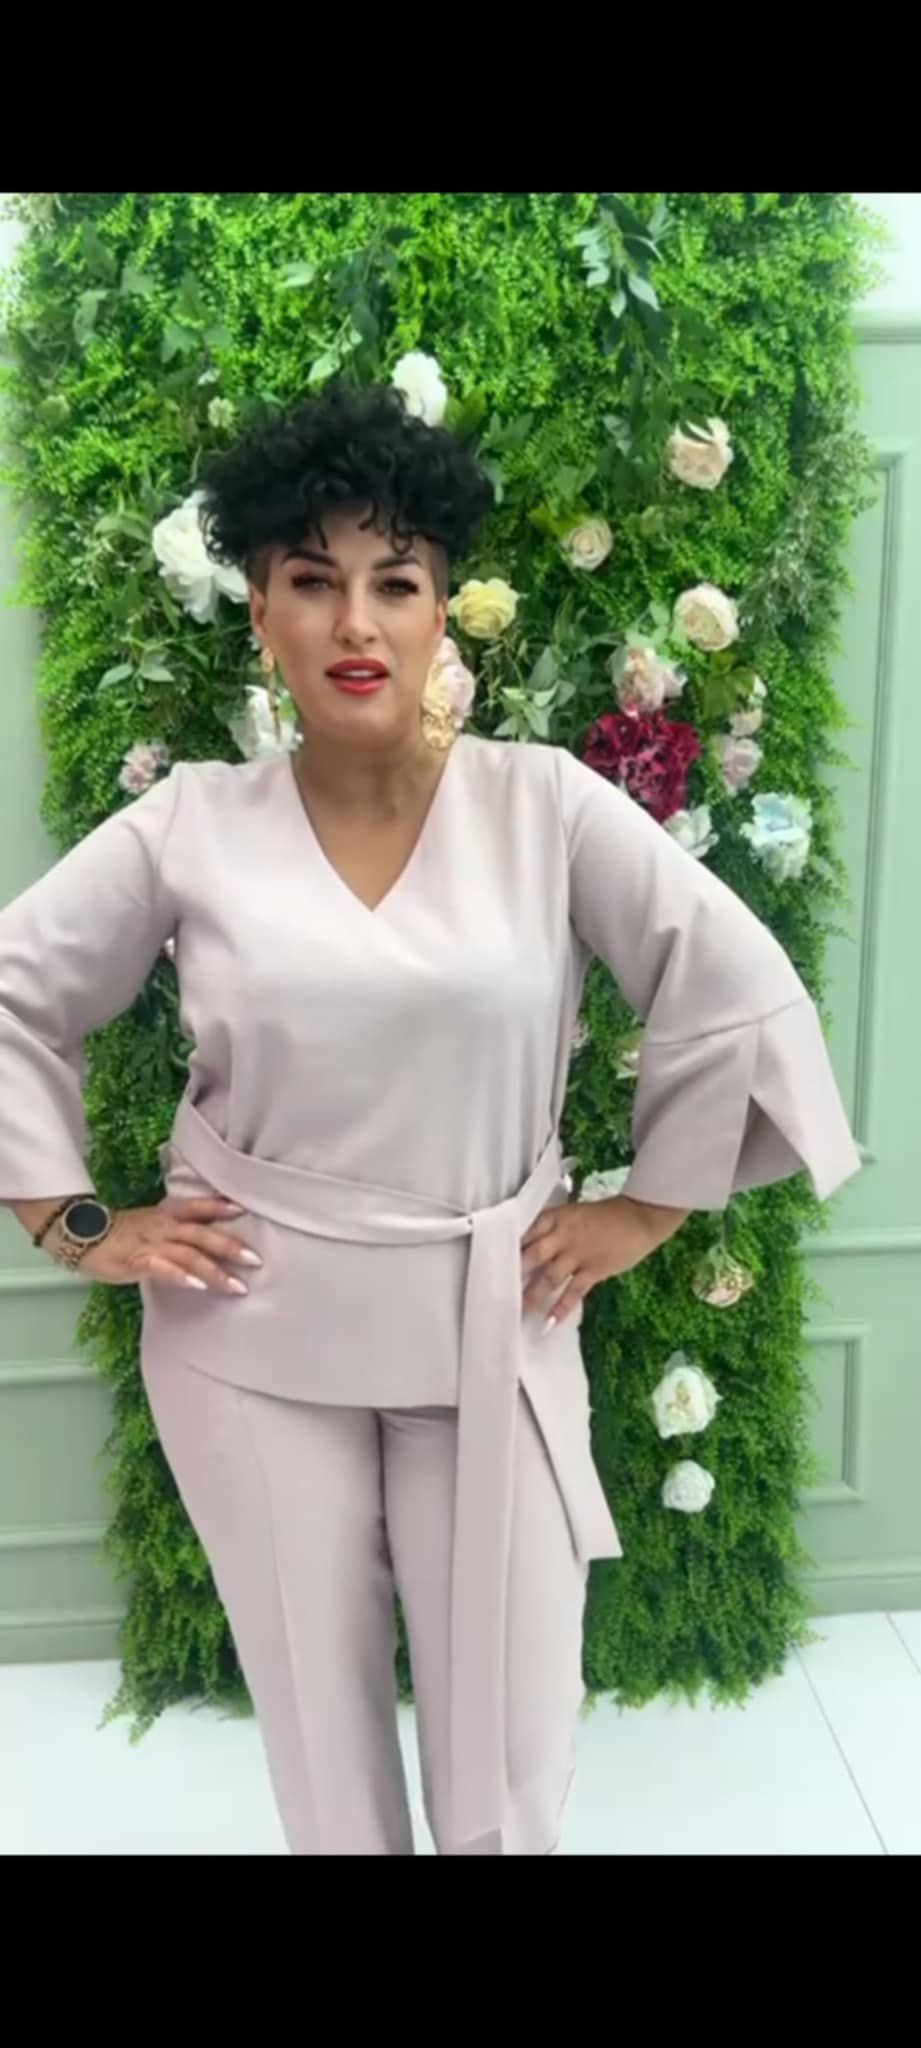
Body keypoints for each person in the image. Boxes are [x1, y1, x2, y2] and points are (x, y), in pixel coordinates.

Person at [0, 381, 861, 1856]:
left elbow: (729, 977)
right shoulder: (188, 827)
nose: (355, 623)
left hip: (491, 1322)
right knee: (325, 1758)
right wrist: (73, 1220)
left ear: (440, 608)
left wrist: (651, 1203)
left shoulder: (546, 809)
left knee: (509, 1763)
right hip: (252, 1338)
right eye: (310, 581)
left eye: (393, 582)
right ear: (259, 611)